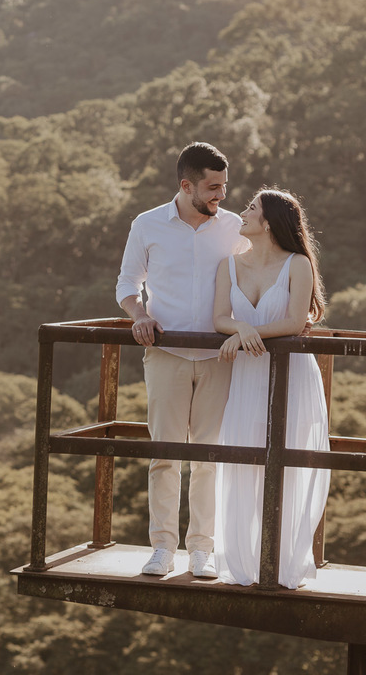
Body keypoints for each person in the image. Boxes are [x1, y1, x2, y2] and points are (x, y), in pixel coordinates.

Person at [116, 142, 249, 578]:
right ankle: (161, 549)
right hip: (166, 354)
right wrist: (139, 315)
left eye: (224, 187)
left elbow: (262, 274)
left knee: (210, 457)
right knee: (164, 457)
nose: (221, 196)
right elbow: (127, 284)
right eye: (212, 188)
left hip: (220, 358)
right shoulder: (147, 224)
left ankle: (202, 551)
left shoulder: (234, 227)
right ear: (186, 185)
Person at [213, 188, 330, 589]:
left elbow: (296, 323)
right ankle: (245, 561)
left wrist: (246, 332)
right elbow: (218, 319)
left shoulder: (298, 265)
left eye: (250, 209)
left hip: (291, 376)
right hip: (248, 375)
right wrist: (241, 329)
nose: (242, 213)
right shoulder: (229, 265)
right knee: (244, 459)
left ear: (268, 222)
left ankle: (281, 563)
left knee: (288, 462)